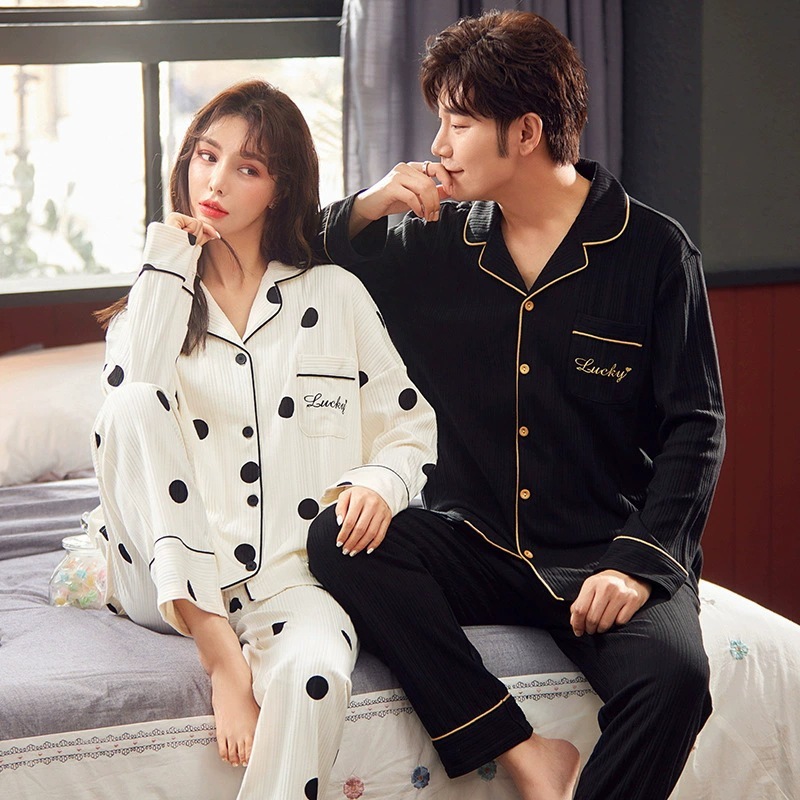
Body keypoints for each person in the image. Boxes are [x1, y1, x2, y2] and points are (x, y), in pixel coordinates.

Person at [307, 10, 725, 800]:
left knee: (675, 679)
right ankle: (521, 747)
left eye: (459, 123)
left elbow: (696, 429)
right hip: (477, 538)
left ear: (526, 132)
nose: (438, 145)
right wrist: (368, 204)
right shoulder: (431, 241)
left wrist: (638, 563)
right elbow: (299, 255)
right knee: (340, 539)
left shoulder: (655, 252)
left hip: (603, 547)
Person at [88, 79, 436, 800]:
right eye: (205, 156)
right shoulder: (151, 304)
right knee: (135, 401)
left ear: (281, 189)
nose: (215, 181)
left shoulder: (336, 295)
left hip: (289, 575)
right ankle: (221, 655)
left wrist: (379, 482)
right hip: (163, 580)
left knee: (317, 674)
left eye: (247, 167)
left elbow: (408, 424)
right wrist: (169, 262)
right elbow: (130, 405)